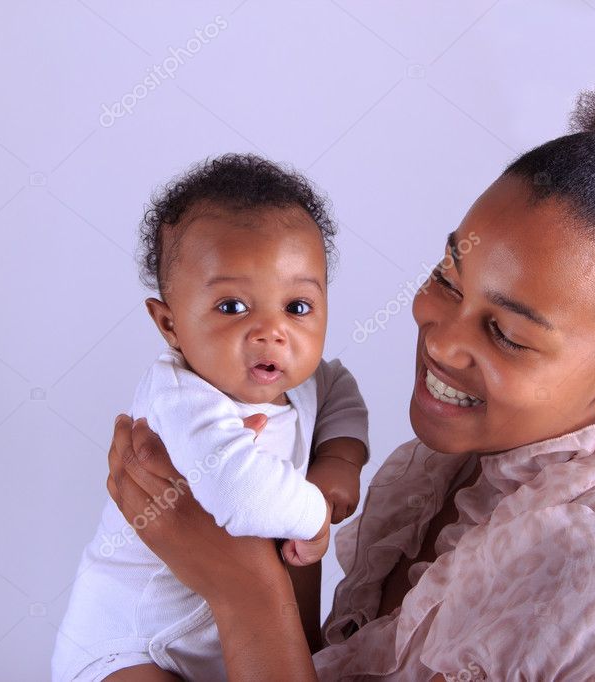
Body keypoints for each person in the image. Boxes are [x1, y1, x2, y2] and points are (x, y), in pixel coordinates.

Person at [102, 59, 595, 680]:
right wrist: (283, 547)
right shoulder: (429, 472)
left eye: (505, 331)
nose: (440, 337)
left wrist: (243, 591)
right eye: (448, 278)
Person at [52, 156, 370, 681]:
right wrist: (315, 515)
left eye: (297, 306)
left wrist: (340, 458)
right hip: (134, 641)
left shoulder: (308, 382)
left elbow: (342, 395)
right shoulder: (181, 397)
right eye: (232, 307)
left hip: (232, 642)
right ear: (169, 324)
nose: (272, 332)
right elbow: (237, 494)